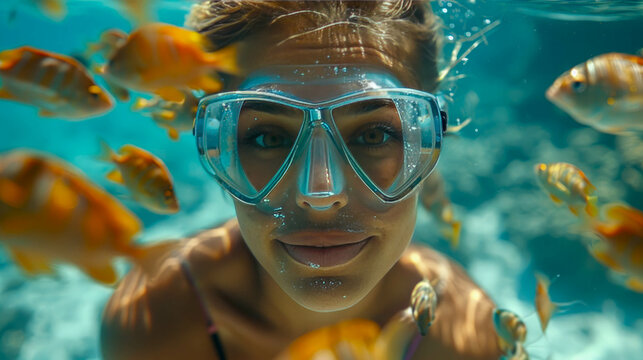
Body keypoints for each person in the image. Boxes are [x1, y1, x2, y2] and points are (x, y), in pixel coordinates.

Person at [100, 1, 503, 359]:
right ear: (218, 145)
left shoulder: (464, 337)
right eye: (268, 138)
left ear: (429, 141)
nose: (321, 193)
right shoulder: (154, 322)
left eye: (373, 135)